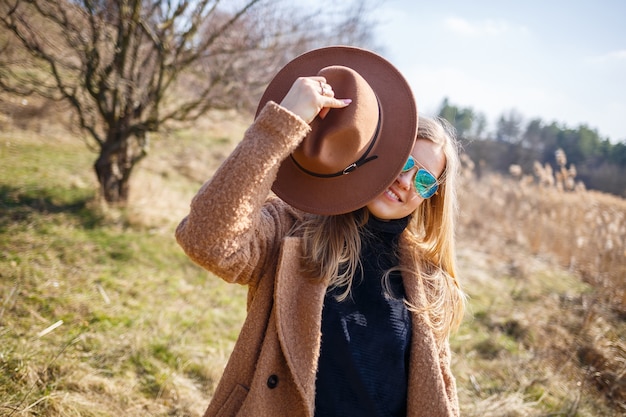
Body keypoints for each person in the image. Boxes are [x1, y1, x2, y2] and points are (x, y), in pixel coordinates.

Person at [175, 46, 465, 417]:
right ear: (379, 153)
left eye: (424, 179)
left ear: (431, 197)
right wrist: (282, 125)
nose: (406, 181)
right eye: (404, 162)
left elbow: (439, 390)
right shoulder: (291, 230)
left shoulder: (427, 280)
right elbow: (206, 239)